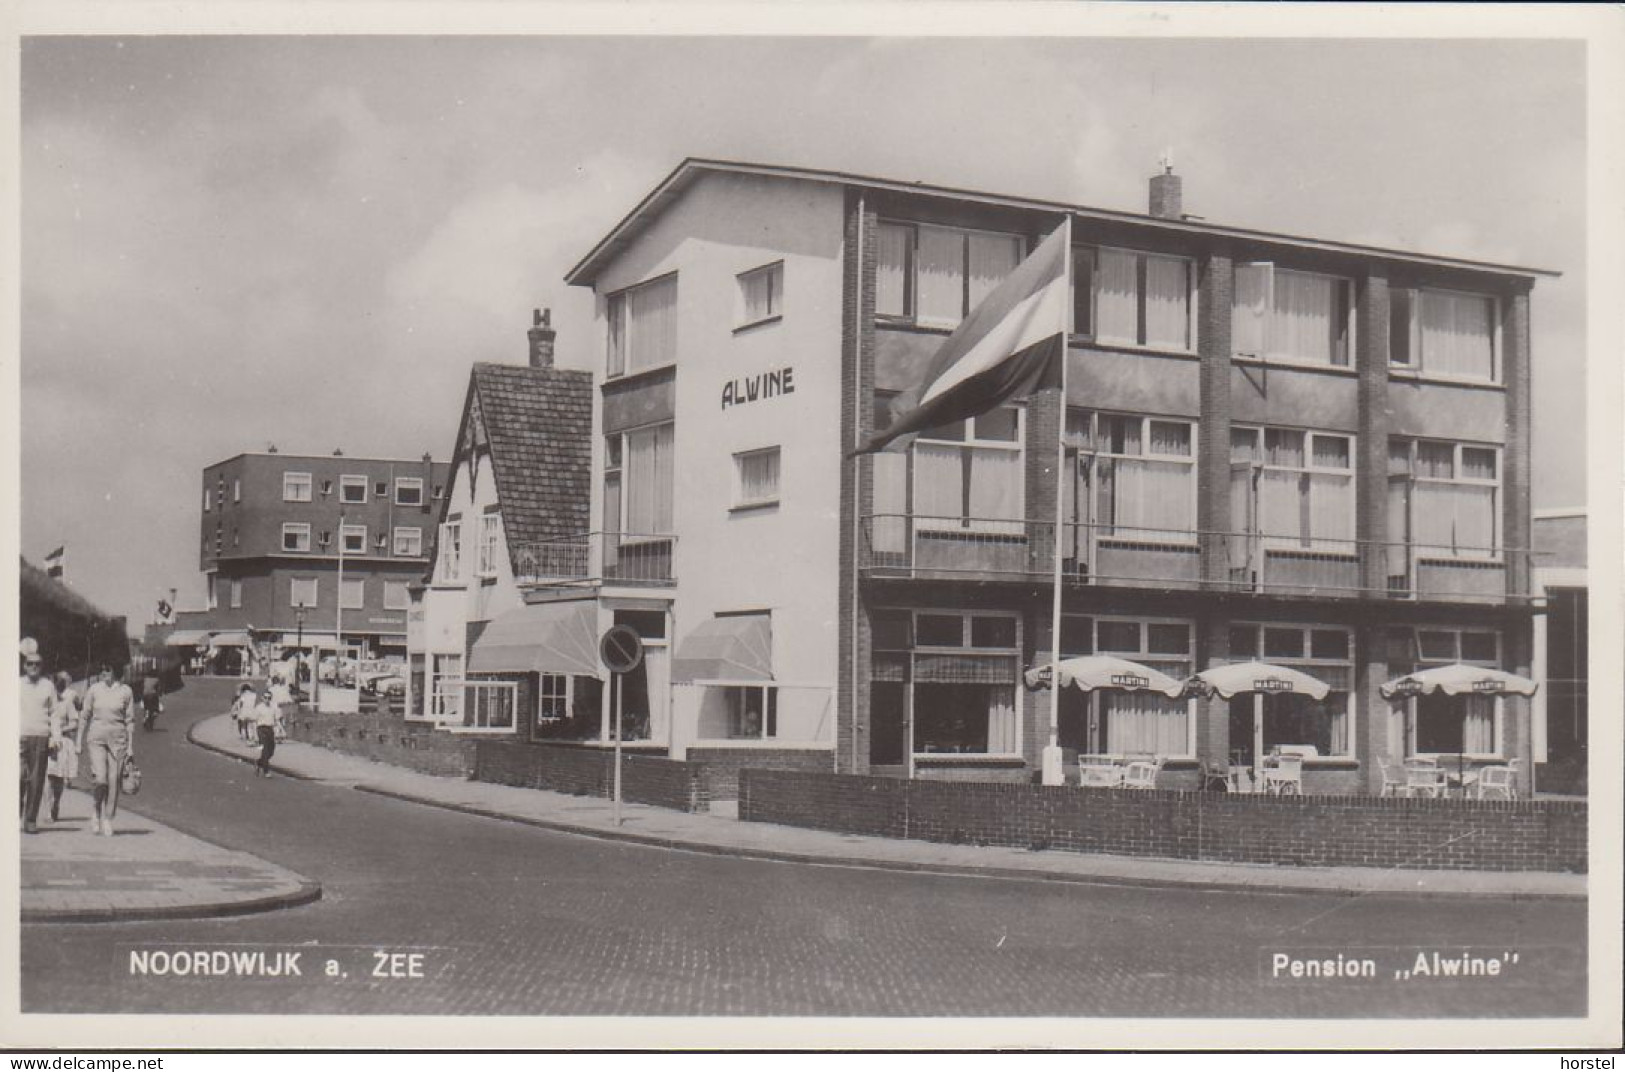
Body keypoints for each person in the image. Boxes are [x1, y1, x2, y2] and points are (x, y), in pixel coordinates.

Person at [78, 663, 136, 836]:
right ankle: (96, 811)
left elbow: (130, 721)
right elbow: (84, 715)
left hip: (118, 741)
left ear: (115, 671)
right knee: (101, 779)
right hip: (96, 739)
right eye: (102, 669)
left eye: (108, 669)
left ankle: (108, 818)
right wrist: (78, 740)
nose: (104, 672)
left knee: (114, 780)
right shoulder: (94, 689)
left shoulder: (126, 691)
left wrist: (131, 747)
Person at [18, 648, 56, 834]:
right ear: (24, 666)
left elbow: (54, 713)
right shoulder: (16, 684)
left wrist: (55, 737)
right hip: (19, 736)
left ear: (41, 667)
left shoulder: (48, 686)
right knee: (16, 776)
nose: (33, 667)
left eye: (37, 664)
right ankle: (15, 811)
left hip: (41, 736)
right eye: (30, 663)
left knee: (36, 780)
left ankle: (30, 820)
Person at [47, 672, 82, 823]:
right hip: (46, 742)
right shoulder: (43, 704)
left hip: (61, 744)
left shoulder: (66, 703)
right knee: (47, 778)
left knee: (58, 778)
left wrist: (61, 730)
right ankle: (48, 810)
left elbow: (75, 722)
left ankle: (56, 803)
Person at [253, 688, 279, 777]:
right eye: (266, 698)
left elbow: (276, 720)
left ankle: (259, 762)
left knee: (271, 751)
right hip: (261, 729)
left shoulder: (273, 707)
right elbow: (254, 721)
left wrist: (280, 730)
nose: (267, 700)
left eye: (269, 698)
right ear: (262, 698)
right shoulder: (259, 708)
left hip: (270, 729)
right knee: (265, 750)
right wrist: (254, 735)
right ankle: (266, 771)